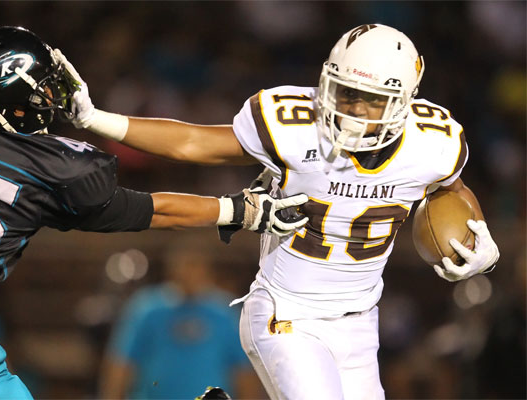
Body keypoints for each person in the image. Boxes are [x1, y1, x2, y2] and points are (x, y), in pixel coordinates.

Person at [60, 23, 501, 399]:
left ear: (404, 102)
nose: (351, 112)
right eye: (345, 94)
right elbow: (194, 142)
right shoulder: (292, 124)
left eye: (369, 100)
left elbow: (452, 187)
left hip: (361, 322)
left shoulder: (433, 142)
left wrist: (480, 241)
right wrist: (97, 119)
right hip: (285, 315)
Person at [0, 26, 309, 399]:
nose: (48, 97)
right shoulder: (53, 172)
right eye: (40, 89)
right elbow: (152, 210)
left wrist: (234, 209)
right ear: (12, 101)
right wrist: (238, 210)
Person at [99, 244, 262, 399]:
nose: (189, 274)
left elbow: (243, 371)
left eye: (195, 266)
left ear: (207, 271)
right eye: (184, 266)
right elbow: (121, 363)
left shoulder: (224, 313)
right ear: (171, 270)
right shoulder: (147, 309)